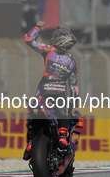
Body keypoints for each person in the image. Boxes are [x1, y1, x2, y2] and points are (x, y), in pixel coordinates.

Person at [22, 21, 80, 161]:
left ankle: (30, 143)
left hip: (43, 90)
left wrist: (37, 27)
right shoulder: (72, 62)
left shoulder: (49, 50)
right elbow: (74, 87)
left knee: (33, 114)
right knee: (64, 114)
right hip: (60, 92)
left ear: (58, 40)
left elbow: (28, 40)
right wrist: (74, 106)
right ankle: (62, 138)